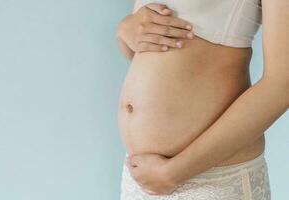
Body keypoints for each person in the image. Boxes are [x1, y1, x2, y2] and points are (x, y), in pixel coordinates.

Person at [116, 0, 289, 199]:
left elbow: (281, 85)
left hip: (211, 179)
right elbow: (148, 53)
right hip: (141, 177)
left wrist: (175, 171)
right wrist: (125, 29)